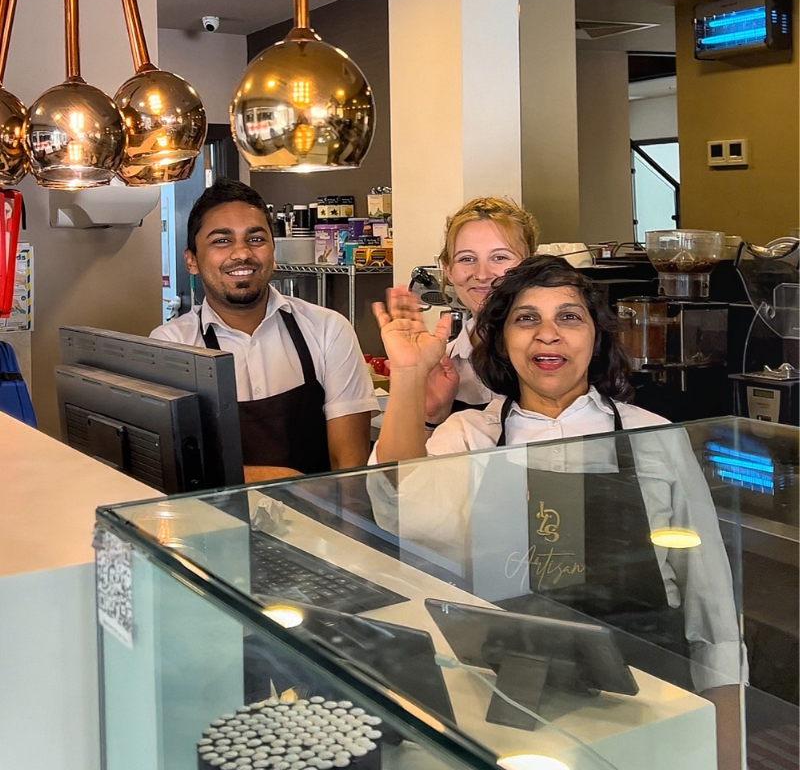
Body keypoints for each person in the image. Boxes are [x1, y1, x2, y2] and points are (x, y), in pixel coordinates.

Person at [371, 256, 743, 770]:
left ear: (597, 337)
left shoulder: (653, 436)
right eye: (527, 319)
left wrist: (725, 743)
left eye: (569, 317)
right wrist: (409, 377)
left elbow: (711, 599)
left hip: (647, 690)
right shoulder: (468, 436)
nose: (548, 335)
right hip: (506, 689)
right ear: (501, 340)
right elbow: (396, 509)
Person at [151, 178, 376, 482]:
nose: (241, 253)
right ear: (191, 261)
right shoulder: (170, 346)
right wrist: (276, 480)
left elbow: (349, 465)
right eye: (221, 241)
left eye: (256, 239)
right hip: (214, 524)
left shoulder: (328, 330)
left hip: (317, 521)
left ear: (272, 250)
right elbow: (176, 470)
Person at [423, 197, 539, 428]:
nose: (483, 274)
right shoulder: (443, 366)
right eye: (467, 259)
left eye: (500, 257)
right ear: (448, 269)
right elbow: (409, 463)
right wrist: (432, 418)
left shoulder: (558, 356)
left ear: (531, 265)